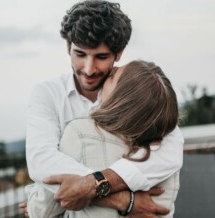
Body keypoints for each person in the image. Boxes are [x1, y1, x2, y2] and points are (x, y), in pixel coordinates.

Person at [22, 0, 183, 217]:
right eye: (80, 54)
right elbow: (42, 162)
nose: (89, 69)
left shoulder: (136, 88)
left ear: (119, 54)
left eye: (101, 57)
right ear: (67, 47)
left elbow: (170, 150)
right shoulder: (47, 93)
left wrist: (91, 185)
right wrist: (122, 199)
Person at [27, 60, 182, 218]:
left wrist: (33, 198)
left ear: (120, 99)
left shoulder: (81, 134)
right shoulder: (165, 153)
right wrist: (124, 201)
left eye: (113, 77)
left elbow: (42, 210)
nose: (111, 70)